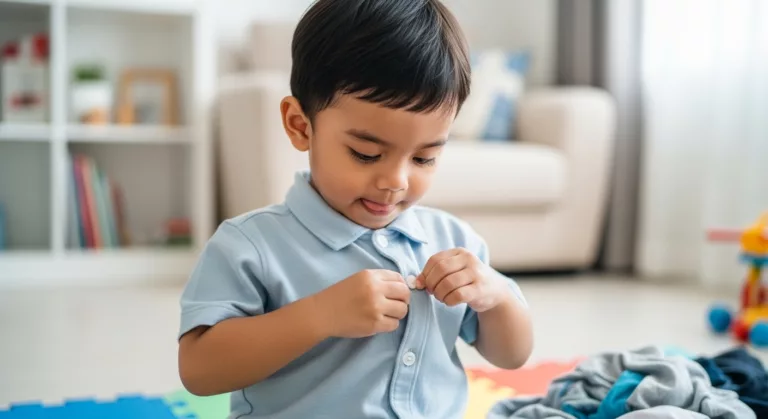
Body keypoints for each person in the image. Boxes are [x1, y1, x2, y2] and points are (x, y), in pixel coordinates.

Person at [177, 0, 533, 417]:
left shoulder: (454, 241)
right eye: (366, 154)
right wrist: (319, 316)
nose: (396, 181)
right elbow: (199, 371)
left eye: (424, 158)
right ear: (300, 126)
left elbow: (513, 355)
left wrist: (495, 296)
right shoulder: (251, 246)